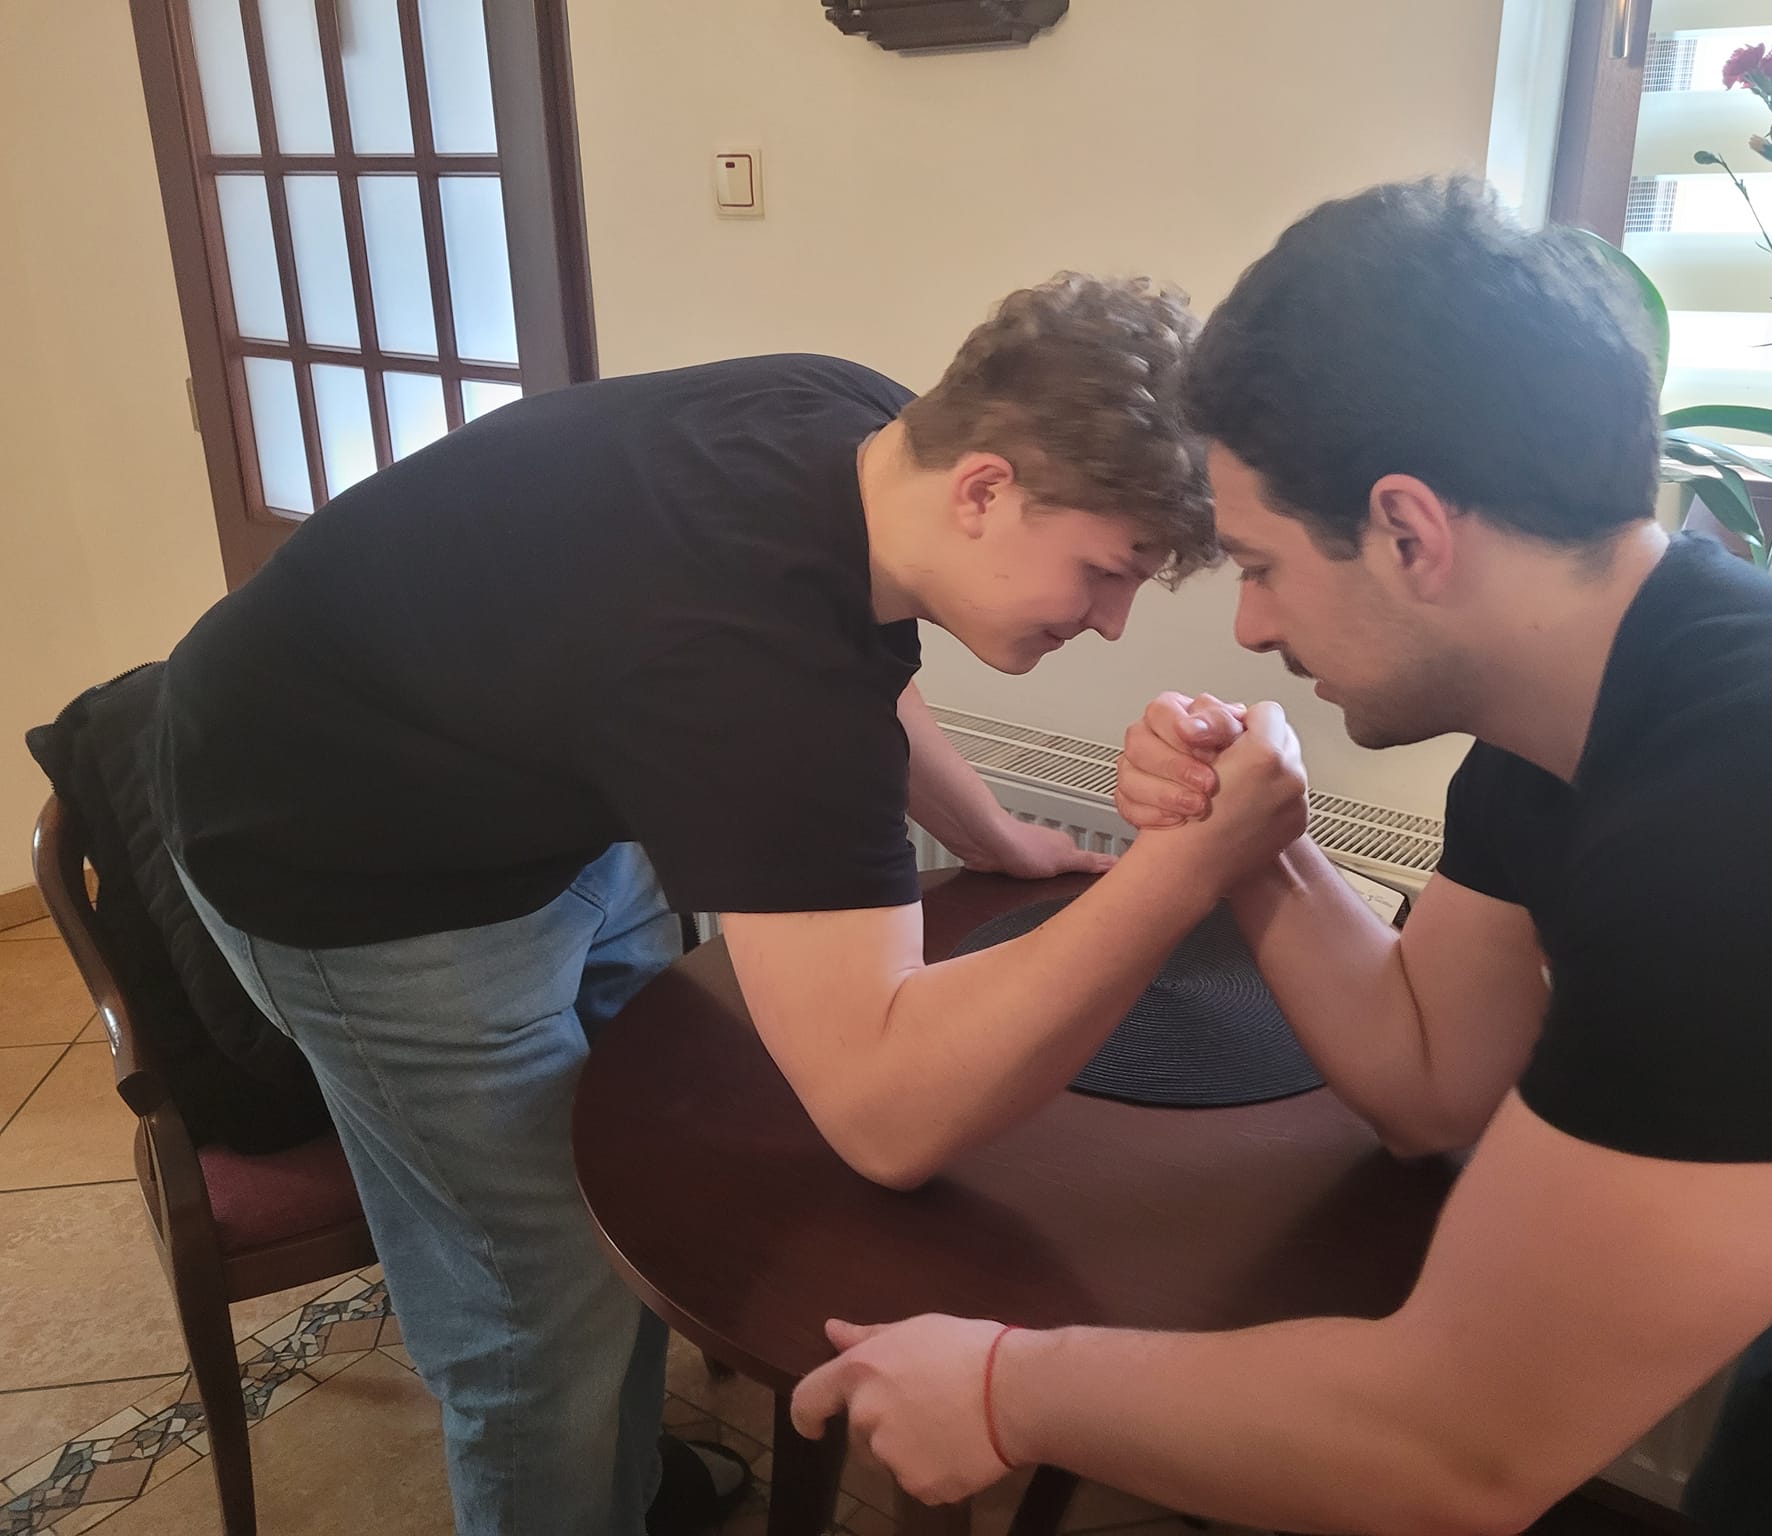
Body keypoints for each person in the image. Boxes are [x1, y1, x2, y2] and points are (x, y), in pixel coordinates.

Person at [791, 179, 1772, 1534]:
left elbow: (1455, 1451)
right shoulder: (1567, 713)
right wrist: (1253, 844)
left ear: (1409, 534)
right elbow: (1432, 1083)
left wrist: (1003, 1387)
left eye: (1259, 565)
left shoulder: (1768, 811)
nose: (1252, 628)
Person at [151, 273, 1308, 1536]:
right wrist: (1182, 869)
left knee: (635, 1171)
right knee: (538, 1301)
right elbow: (885, 1116)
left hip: (526, 775)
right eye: (1104, 571)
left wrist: (991, 831)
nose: (1114, 623)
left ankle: (619, 1484)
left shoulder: (867, 433)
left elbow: (859, 655)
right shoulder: (744, 671)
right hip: (334, 844)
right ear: (983, 491)